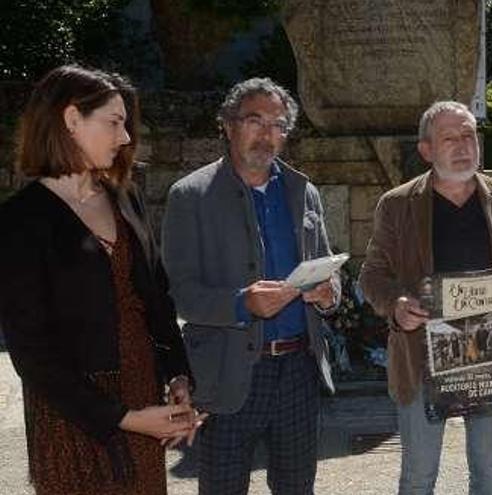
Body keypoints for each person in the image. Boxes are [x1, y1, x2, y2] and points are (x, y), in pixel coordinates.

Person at [0, 65, 199, 495]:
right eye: (114, 122)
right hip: (72, 416)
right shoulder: (20, 221)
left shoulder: (125, 196)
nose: (125, 137)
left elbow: (157, 299)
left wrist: (179, 377)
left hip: (143, 393)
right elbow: (31, 352)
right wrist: (123, 418)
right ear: (71, 120)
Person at [161, 77, 339, 494]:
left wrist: (329, 294)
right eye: (255, 120)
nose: (267, 134)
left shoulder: (302, 190)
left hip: (299, 370)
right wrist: (242, 304)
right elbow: (181, 294)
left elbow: (327, 268)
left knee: (297, 488)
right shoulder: (190, 196)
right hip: (227, 373)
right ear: (227, 124)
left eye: (278, 125)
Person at [359, 101, 492, 495]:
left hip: (490, 357)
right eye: (449, 138)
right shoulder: (396, 204)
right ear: (426, 150)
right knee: (419, 477)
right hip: (422, 357)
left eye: (469, 136)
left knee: (489, 474)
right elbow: (372, 276)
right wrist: (396, 306)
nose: (463, 146)